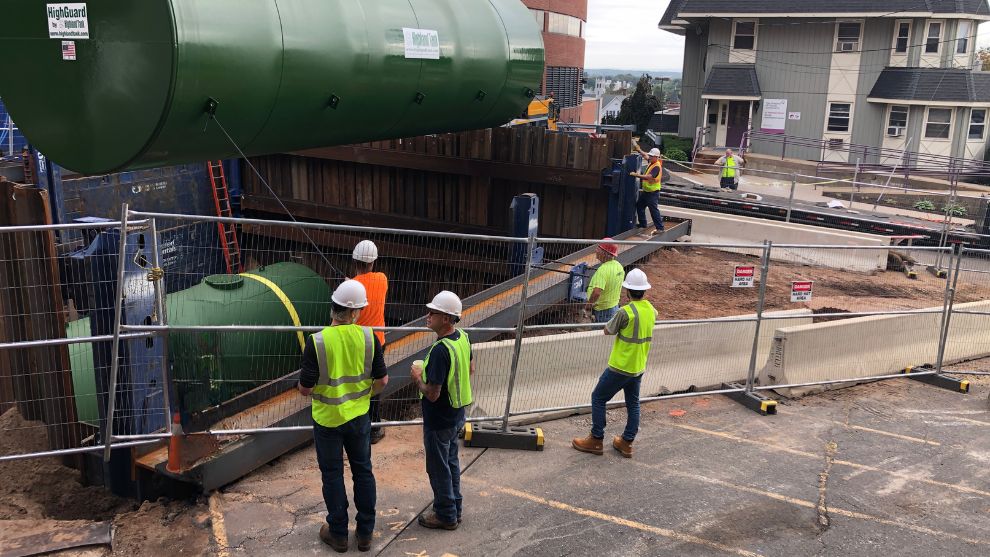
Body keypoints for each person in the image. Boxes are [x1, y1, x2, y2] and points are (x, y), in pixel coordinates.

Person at [298, 280, 389, 553]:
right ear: (356, 312)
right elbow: (382, 380)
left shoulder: (318, 342)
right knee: (363, 471)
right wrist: (362, 395)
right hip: (359, 417)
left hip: (327, 420)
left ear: (333, 308)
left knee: (333, 475)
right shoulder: (368, 338)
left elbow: (305, 388)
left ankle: (338, 534)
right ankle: (365, 533)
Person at [572, 268, 656, 459]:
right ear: (644, 290)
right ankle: (626, 443)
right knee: (633, 404)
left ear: (627, 291)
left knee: (598, 398)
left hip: (619, 367)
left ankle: (596, 439)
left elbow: (608, 330)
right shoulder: (651, 310)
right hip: (638, 367)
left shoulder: (625, 312)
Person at [411, 291, 474, 530]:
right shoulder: (463, 338)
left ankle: (446, 514)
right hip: (457, 414)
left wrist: (417, 377)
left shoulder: (440, 350)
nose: (428, 316)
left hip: (439, 420)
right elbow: (470, 369)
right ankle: (455, 507)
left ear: (446, 318)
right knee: (450, 463)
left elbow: (433, 393)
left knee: (438, 468)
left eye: (433, 312)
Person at [351, 240, 389, 444]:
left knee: (357, 383)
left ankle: (357, 424)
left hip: (358, 343)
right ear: (373, 262)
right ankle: (374, 428)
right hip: (378, 341)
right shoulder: (383, 279)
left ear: (355, 260)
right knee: (375, 383)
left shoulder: (352, 286)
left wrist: (351, 284)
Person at [585, 239, 625, 323]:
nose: (596, 250)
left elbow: (596, 292)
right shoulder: (619, 266)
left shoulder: (603, 270)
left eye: (598, 248)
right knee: (609, 334)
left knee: (599, 334)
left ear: (604, 253)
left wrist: (589, 304)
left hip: (603, 311)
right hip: (614, 307)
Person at [630, 147, 664, 232]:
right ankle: (643, 224)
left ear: (657, 157)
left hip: (653, 193)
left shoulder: (656, 166)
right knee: (640, 206)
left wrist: (636, 175)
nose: (650, 157)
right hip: (647, 192)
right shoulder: (652, 162)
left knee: (653, 210)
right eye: (650, 155)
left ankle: (660, 228)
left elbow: (649, 177)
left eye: (652, 156)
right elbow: (645, 155)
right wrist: (638, 149)